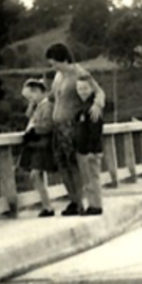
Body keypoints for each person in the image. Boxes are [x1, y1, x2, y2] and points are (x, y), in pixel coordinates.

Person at [45, 42, 105, 216]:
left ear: (64, 59)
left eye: (55, 62)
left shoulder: (79, 73)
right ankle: (74, 201)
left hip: (72, 125)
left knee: (76, 165)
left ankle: (85, 202)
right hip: (58, 127)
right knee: (63, 165)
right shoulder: (58, 76)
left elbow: (99, 92)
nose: (53, 66)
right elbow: (52, 97)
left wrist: (97, 105)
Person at [19, 78, 56, 217]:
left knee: (36, 174)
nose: (30, 99)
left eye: (31, 96)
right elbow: (28, 116)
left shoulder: (47, 106)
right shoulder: (38, 106)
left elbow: (48, 125)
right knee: (36, 175)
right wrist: (31, 104)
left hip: (43, 144)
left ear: (39, 92)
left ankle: (47, 206)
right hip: (37, 144)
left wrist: (34, 130)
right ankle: (46, 205)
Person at [75, 75, 104, 215]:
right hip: (83, 150)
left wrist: (92, 150)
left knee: (93, 178)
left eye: (85, 88)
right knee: (88, 179)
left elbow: (95, 131)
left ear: (92, 89)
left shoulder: (93, 108)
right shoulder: (83, 107)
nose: (82, 91)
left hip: (90, 150)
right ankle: (91, 204)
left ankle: (96, 206)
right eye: (79, 88)